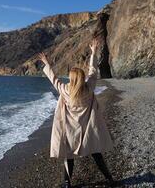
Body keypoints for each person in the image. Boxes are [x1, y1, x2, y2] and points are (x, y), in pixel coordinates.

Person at [37, 39, 114, 187]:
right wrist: (93, 52)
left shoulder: (65, 90)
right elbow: (93, 71)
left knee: (69, 156)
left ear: (71, 79)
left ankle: (67, 184)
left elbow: (54, 79)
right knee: (96, 154)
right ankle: (109, 179)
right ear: (81, 78)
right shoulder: (89, 88)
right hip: (88, 130)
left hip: (71, 131)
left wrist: (47, 63)